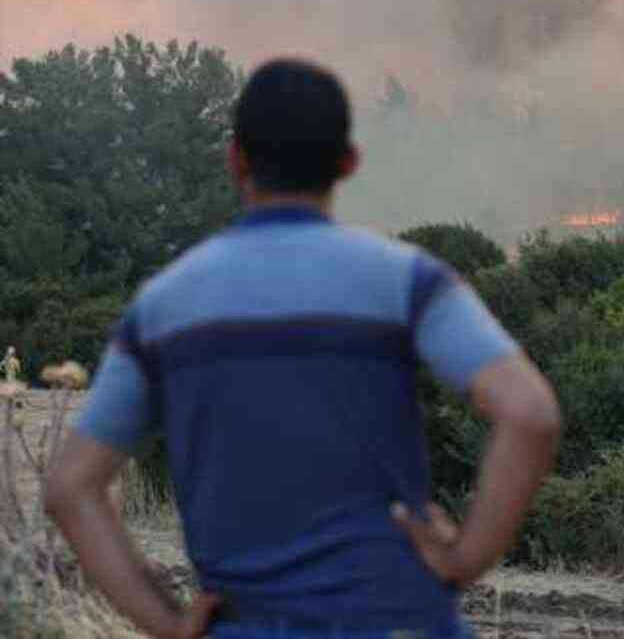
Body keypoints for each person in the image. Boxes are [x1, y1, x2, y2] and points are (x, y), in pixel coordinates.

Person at [44, 59, 562, 639]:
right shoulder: (408, 282)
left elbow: (70, 487)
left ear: (235, 158)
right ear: (348, 162)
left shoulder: (163, 306)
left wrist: (165, 621)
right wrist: (465, 558)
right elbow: (530, 412)